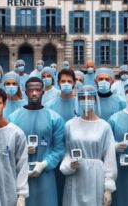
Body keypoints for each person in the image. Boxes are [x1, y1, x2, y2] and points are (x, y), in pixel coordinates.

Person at [9, 77, 65, 206]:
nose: (34, 93)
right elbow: (8, 147)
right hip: (19, 175)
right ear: (25, 92)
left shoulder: (54, 118)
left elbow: (59, 149)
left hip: (46, 177)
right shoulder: (13, 118)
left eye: (38, 90)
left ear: (43, 92)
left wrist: (44, 164)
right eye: (31, 90)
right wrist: (21, 150)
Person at [60, 85, 117, 206]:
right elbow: (65, 152)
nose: (86, 101)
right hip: (75, 175)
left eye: (90, 97)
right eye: (82, 98)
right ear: (78, 100)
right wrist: (68, 165)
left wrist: (108, 189)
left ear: (95, 99)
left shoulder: (104, 126)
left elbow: (109, 158)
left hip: (96, 176)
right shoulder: (70, 124)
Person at [44, 68, 78, 206]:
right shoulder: (49, 105)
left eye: (69, 81)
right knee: (56, 190)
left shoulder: (79, 104)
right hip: (55, 156)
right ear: (58, 83)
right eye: (63, 81)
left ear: (74, 83)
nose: (66, 84)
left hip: (75, 155)